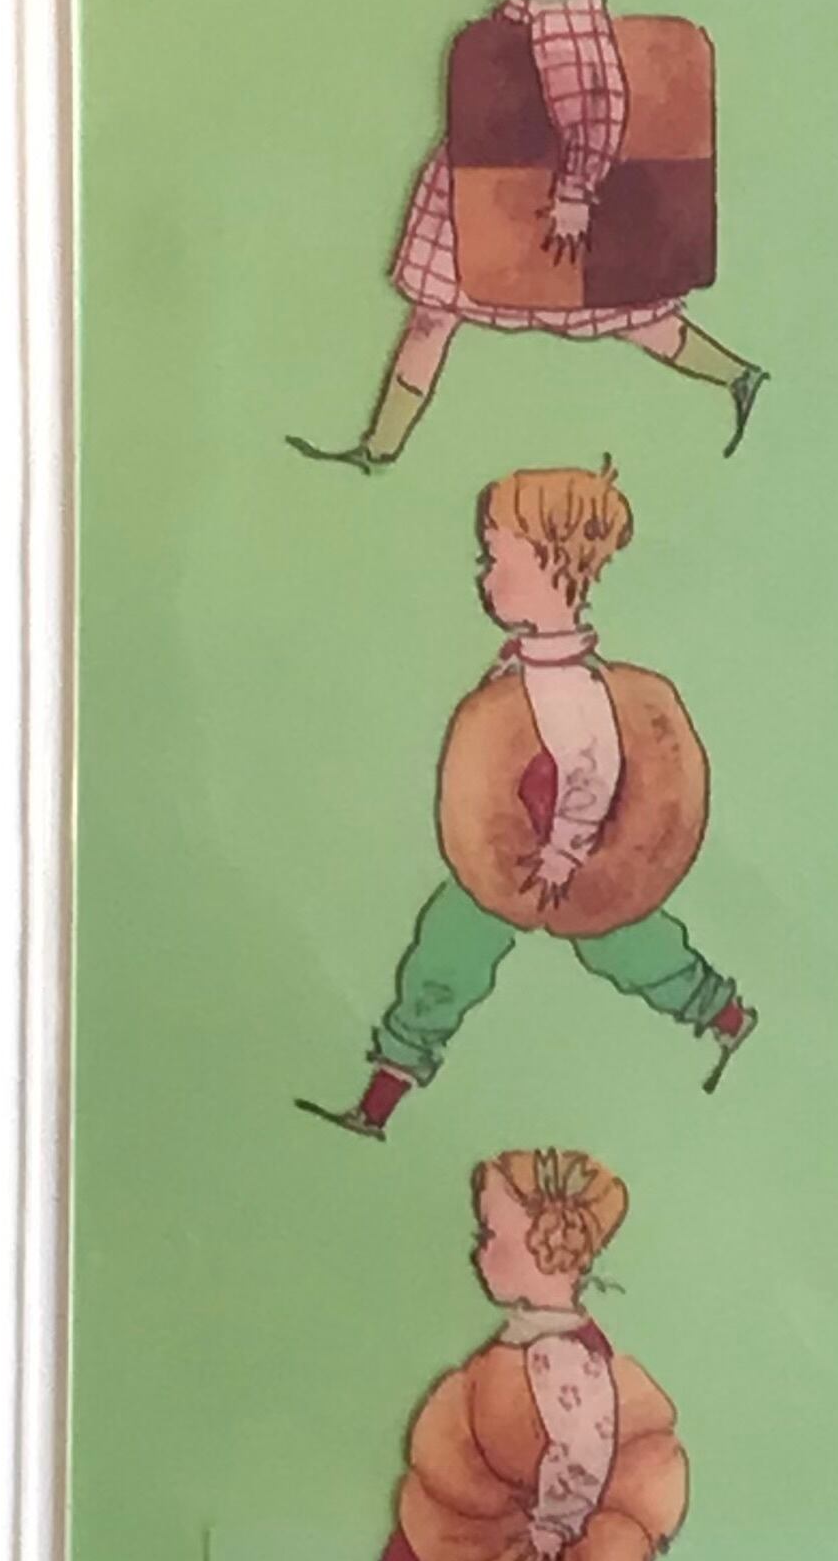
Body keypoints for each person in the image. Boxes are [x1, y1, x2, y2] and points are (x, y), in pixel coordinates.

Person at [288, 0, 766, 473]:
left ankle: (735, 374)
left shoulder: (566, 24)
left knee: (633, 318)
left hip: (536, 201)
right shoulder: (536, 4)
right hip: (486, 185)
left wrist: (575, 195)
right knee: (436, 312)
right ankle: (378, 446)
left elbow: (597, 112)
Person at [299, 461, 755, 1142]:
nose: (485, 577)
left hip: (557, 863)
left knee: (622, 947)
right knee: (448, 953)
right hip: (511, 855)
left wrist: (562, 856)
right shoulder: (528, 664)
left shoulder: (566, 684)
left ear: (551, 565)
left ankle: (722, 1014)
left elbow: (591, 771)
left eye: (497, 559)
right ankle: (383, 1094)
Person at [306, 1150, 772, 1561]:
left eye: (489, 1235)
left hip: (532, 1544)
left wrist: (554, 1527)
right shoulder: (533, 1333)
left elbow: (583, 1450)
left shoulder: (560, 1354)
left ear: (544, 1247)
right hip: (491, 1522)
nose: (477, 1252)